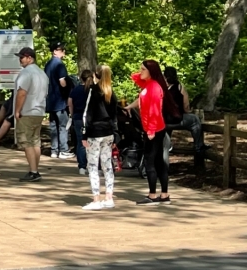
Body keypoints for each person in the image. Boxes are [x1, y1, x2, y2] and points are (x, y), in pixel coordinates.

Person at [127, 59, 180, 205]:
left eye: (143, 69)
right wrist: (129, 107)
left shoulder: (154, 88)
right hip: (152, 128)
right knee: (158, 161)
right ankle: (164, 195)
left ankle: (152, 195)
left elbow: (154, 110)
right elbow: (135, 77)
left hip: (155, 129)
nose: (140, 71)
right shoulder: (148, 85)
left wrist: (150, 130)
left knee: (150, 161)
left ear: (151, 71)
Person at [81, 65, 118, 210]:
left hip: (95, 133)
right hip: (108, 132)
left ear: (95, 75)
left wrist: (84, 133)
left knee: (92, 166)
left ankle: (96, 199)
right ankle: (109, 196)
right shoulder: (111, 93)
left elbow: (87, 114)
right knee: (107, 164)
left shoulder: (93, 91)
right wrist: (116, 134)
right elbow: (114, 116)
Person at [13, 46, 48, 181]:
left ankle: (33, 172)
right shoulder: (42, 74)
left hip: (27, 111)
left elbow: (22, 93)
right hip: (39, 111)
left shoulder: (26, 73)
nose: (20, 60)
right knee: (35, 141)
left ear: (30, 58)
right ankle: (35, 169)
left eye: (22, 57)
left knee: (27, 141)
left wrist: (17, 110)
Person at [163, 67, 206, 156]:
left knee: (166, 130)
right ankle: (199, 146)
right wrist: (187, 111)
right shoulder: (179, 86)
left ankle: (167, 146)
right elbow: (186, 105)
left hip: (162, 120)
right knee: (194, 119)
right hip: (175, 119)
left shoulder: (160, 87)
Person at [44, 43, 73, 159]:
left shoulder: (48, 65)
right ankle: (64, 150)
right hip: (60, 100)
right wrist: (68, 93)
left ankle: (54, 150)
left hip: (50, 100)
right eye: (61, 50)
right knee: (63, 126)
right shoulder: (59, 65)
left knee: (53, 126)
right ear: (55, 51)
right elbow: (62, 82)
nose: (63, 52)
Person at [69, 70, 93, 174]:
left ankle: (82, 166)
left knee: (80, 142)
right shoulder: (92, 90)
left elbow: (70, 102)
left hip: (78, 117)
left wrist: (72, 114)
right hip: (90, 118)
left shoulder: (76, 89)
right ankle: (94, 165)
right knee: (92, 142)